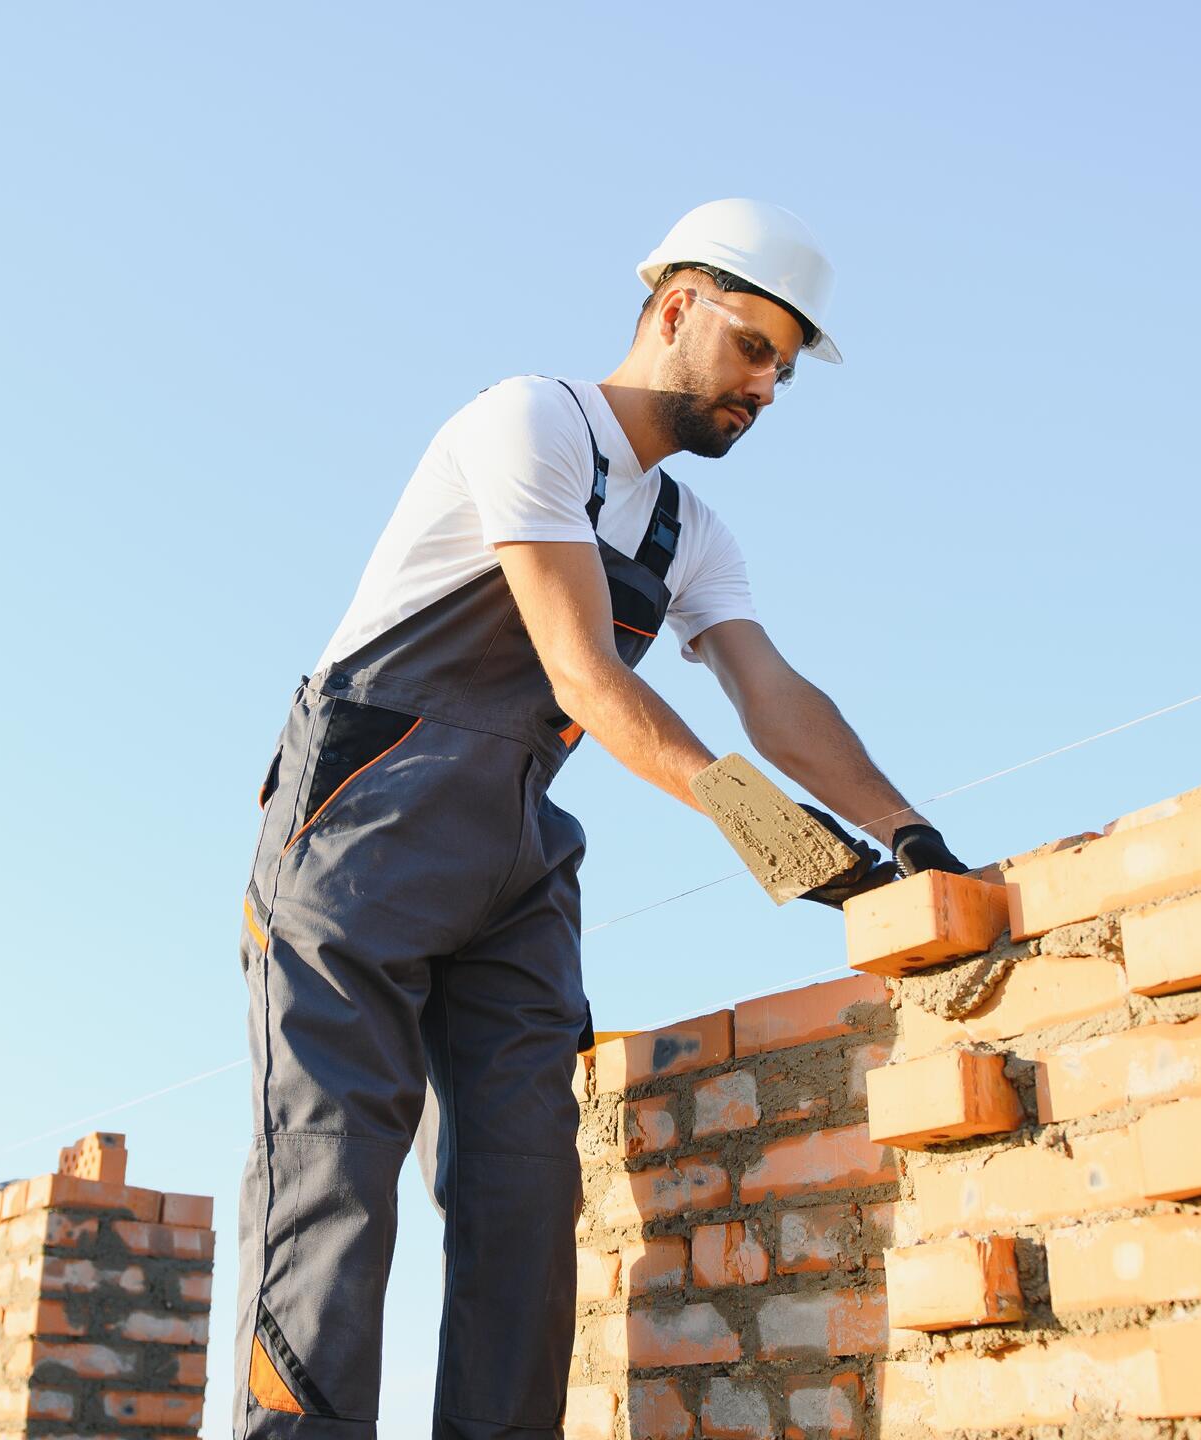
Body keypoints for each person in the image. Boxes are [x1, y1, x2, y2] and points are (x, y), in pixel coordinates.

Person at [231, 199, 968, 1437]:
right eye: (753, 348)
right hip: (362, 826)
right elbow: (582, 671)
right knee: (332, 1179)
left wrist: (907, 837)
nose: (766, 387)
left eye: (785, 370)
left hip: (512, 857)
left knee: (524, 1198)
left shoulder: (688, 533)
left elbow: (772, 695)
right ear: (676, 309)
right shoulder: (530, 422)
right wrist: (771, 833)